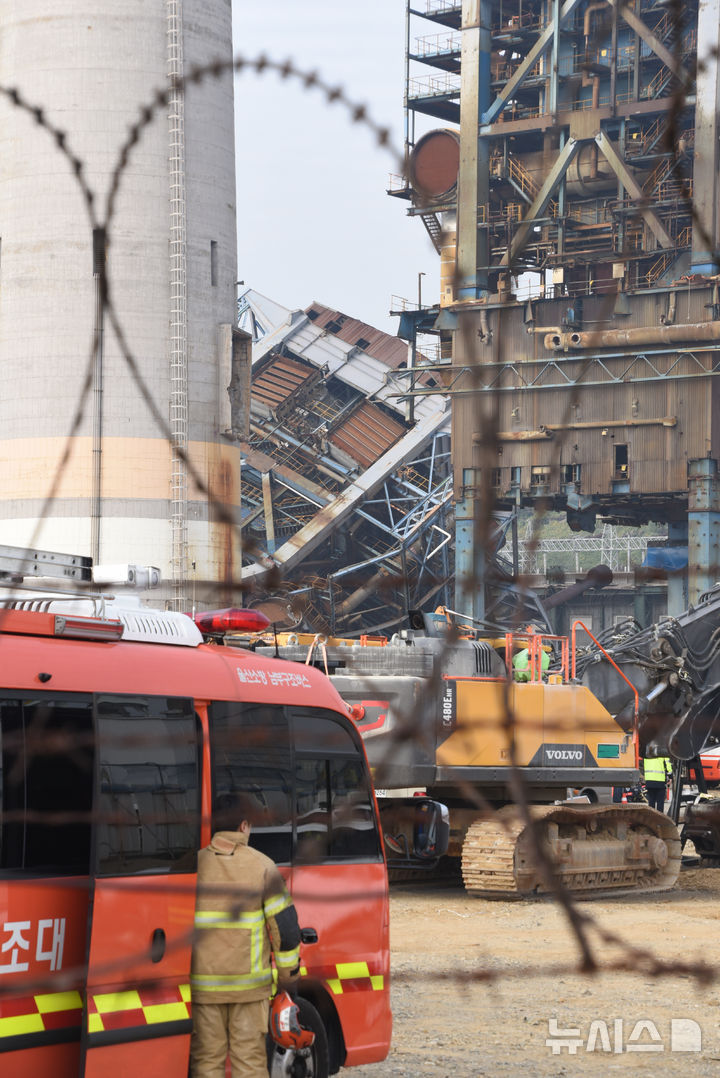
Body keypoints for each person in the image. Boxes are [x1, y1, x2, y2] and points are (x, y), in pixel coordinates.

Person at [190, 795, 301, 1077]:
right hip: (249, 992)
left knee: (205, 1064)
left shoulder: (191, 865)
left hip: (202, 990)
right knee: (249, 1064)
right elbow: (286, 934)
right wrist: (288, 984)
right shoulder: (263, 866)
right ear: (244, 826)